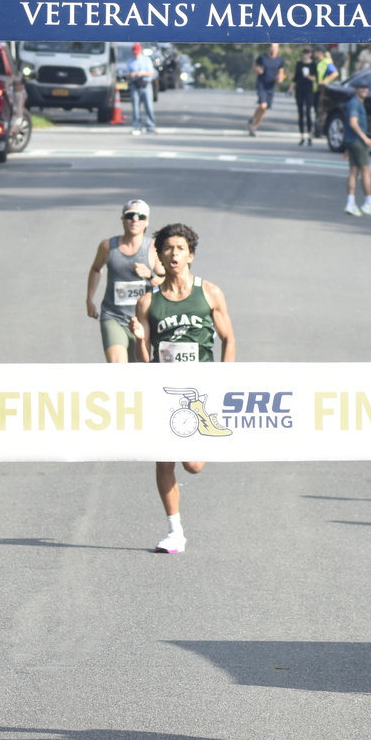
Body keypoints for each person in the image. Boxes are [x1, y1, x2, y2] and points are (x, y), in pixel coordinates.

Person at [128, 223, 236, 554]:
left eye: (180, 248)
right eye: (167, 249)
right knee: (164, 461)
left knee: (193, 465)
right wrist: (140, 341)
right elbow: (142, 361)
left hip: (202, 387)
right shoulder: (148, 303)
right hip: (164, 389)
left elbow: (228, 338)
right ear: (158, 256)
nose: (173, 254)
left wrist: (224, 379)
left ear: (190, 255)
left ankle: (205, 435)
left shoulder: (210, 293)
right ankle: (175, 532)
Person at [86, 199, 162, 363]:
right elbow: (96, 269)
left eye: (140, 216)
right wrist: (89, 300)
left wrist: (150, 275)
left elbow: (166, 284)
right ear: (123, 219)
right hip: (114, 316)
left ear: (146, 221)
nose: (135, 219)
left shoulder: (154, 248)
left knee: (139, 367)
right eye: (130, 215)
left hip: (143, 321)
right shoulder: (108, 246)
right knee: (118, 366)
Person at [341, 82, 371, 217]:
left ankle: (351, 203)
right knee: (365, 170)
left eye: (366, 88)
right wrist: (365, 139)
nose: (365, 90)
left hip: (352, 142)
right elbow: (353, 123)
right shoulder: (355, 103)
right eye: (361, 88)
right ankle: (368, 202)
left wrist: (348, 146)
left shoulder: (357, 103)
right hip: (357, 142)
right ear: (356, 89)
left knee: (354, 171)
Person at [248, 43, 286, 136]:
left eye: (275, 47)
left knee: (265, 109)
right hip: (262, 84)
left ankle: (254, 127)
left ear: (278, 49)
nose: (273, 49)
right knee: (262, 106)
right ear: (269, 48)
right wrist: (258, 70)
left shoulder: (279, 60)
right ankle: (253, 119)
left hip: (271, 86)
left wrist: (280, 78)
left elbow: (281, 72)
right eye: (272, 47)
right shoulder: (262, 57)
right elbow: (254, 65)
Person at [126, 42, 156, 134]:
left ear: (140, 51)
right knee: (135, 107)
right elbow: (126, 75)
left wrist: (141, 73)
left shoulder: (146, 60)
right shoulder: (130, 61)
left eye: (137, 52)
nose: (135, 54)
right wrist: (131, 75)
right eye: (134, 52)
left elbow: (151, 73)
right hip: (135, 85)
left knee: (149, 107)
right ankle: (137, 126)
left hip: (146, 84)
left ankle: (151, 127)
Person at [292, 47, 317, 146]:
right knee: (300, 113)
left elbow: (316, 78)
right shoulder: (299, 64)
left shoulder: (313, 64)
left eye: (308, 52)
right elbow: (295, 77)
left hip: (309, 90)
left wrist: (309, 76)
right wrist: (291, 87)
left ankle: (310, 134)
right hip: (299, 89)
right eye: (304, 52)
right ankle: (302, 135)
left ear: (310, 54)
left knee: (308, 112)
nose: (306, 54)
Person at [312, 47, 339, 137]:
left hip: (323, 89)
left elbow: (335, 73)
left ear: (320, 52)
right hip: (317, 90)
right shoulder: (318, 62)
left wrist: (324, 82)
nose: (313, 53)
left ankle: (320, 130)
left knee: (321, 110)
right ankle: (317, 130)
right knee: (317, 110)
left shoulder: (326, 62)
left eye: (315, 51)